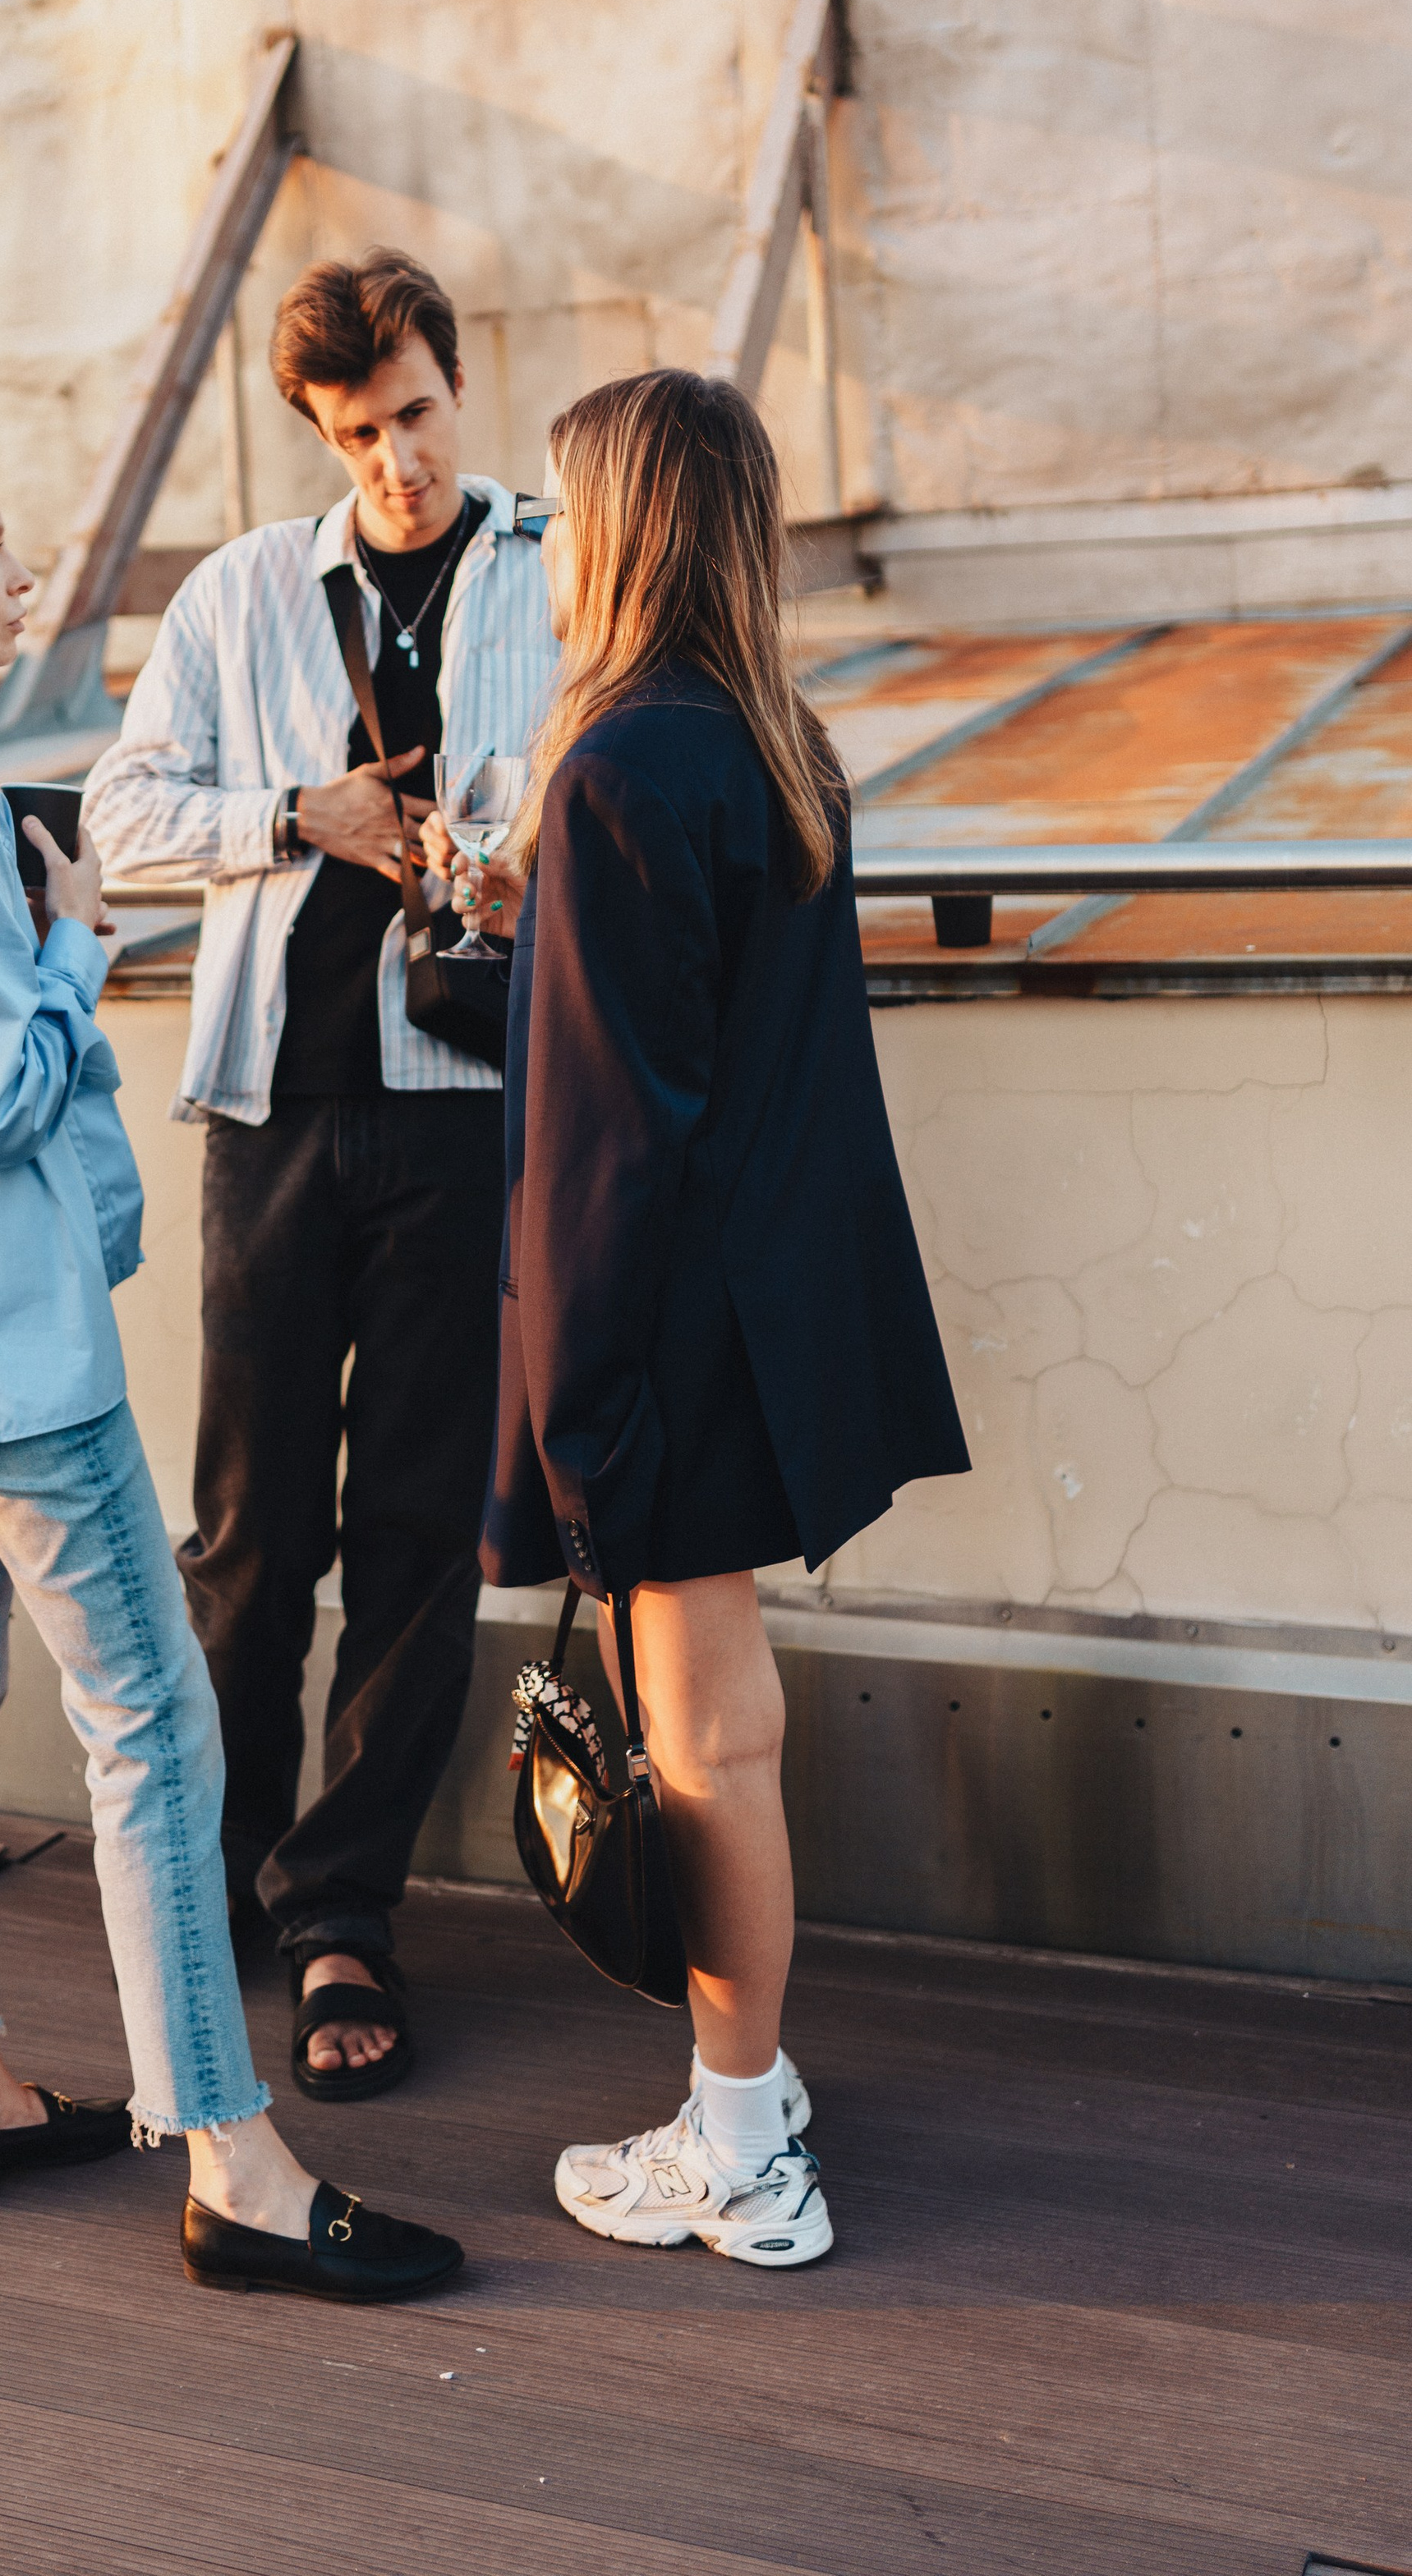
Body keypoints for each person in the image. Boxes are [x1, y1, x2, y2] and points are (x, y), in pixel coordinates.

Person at [0, 426, 461, 2303]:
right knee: (154, 1729)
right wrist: (69, 945)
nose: (22, 574)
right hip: (7, 1347)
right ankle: (234, 2161)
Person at [448, 369, 968, 2267]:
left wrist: (575, 1422)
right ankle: (749, 2089)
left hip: (664, 1343)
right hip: (767, 1324)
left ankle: (741, 2146)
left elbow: (604, 1151)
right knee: (722, 1731)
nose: (542, 547)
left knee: (703, 1746)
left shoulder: (610, 769)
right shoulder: (770, 743)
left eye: (555, 512)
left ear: (620, 527)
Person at [80, 250, 556, 2099]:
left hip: (466, 1109)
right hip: (272, 1113)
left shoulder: (559, 568)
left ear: (458, 383)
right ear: (318, 431)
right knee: (251, 1530)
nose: (397, 463)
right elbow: (119, 814)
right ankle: (218, 1881)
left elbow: (620, 792)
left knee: (421, 1536)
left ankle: (345, 1914)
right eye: (357, 435)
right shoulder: (241, 591)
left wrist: (523, 862)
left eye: (415, 416)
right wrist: (300, 814)